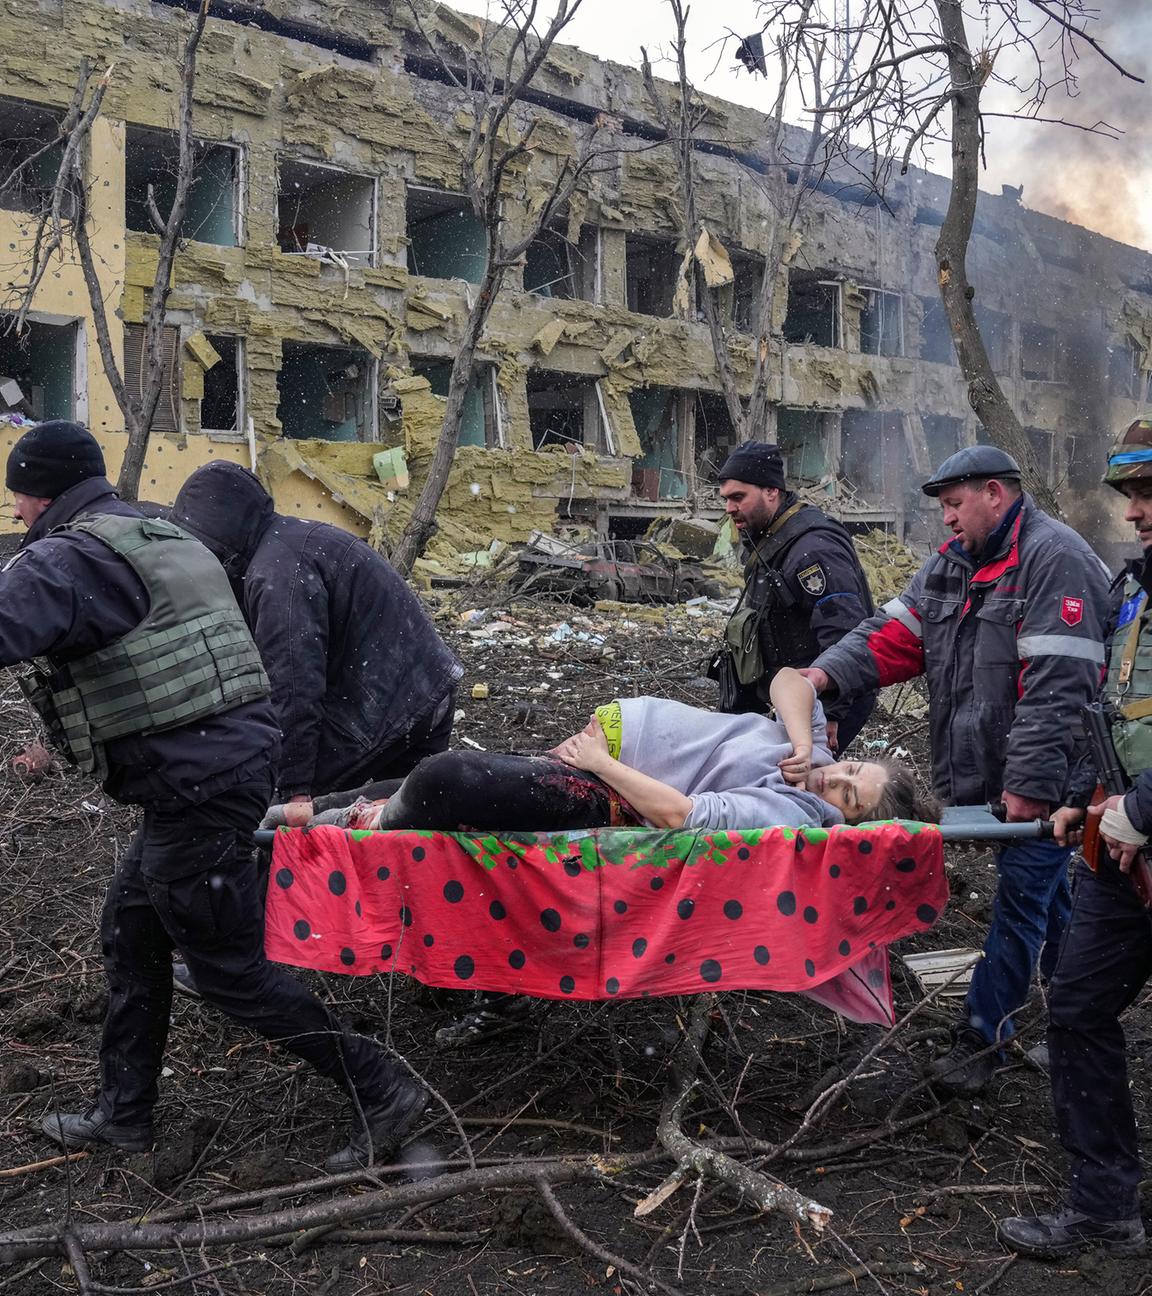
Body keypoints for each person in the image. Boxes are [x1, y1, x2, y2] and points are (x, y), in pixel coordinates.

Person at [2, 422, 424, 1173]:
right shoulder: (148, 532)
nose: (20, 517)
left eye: (20, 501)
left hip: (198, 784)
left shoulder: (66, 559)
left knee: (229, 969)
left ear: (39, 495)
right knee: (131, 930)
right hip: (217, 769)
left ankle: (383, 1087)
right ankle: (123, 1115)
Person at [800, 445, 1109, 1096]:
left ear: (995, 493)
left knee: (1023, 899)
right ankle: (1077, 1013)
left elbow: (1060, 690)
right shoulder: (949, 568)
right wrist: (824, 674)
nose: (945, 519)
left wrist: (1029, 787)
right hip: (992, 774)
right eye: (942, 507)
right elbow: (890, 636)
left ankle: (983, 1038)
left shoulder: (1056, 561)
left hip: (1051, 778)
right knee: (1048, 896)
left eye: (954, 504)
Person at [998, 420, 1152, 1259]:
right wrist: (1074, 799)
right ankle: (1103, 1208)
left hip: (1143, 827)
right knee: (1081, 1008)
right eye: (1131, 494)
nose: (1136, 512)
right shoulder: (1134, 590)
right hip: (1117, 852)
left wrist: (1148, 807)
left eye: (1150, 494)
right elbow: (1112, 706)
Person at [277, 668, 937, 837]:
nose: (835, 781)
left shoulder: (791, 818)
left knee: (441, 779)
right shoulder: (811, 754)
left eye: (847, 797)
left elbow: (680, 814)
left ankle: (335, 826)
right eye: (851, 770)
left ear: (846, 824)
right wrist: (802, 740)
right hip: (607, 747)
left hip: (612, 786)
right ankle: (294, 811)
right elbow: (792, 680)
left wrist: (599, 763)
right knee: (434, 778)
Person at [170, 460, 462, 826]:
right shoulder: (287, 543)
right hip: (424, 688)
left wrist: (294, 791)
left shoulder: (275, 573)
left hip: (389, 706)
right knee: (404, 828)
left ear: (216, 542)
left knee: (281, 817)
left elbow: (293, 684)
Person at [714, 440, 877, 753]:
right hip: (791, 695)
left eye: (738, 497)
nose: (729, 508)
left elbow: (845, 635)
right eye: (726, 499)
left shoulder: (813, 550)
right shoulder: (771, 536)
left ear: (771, 491)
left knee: (801, 786)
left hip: (821, 699)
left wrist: (831, 711)